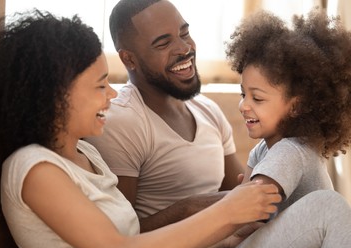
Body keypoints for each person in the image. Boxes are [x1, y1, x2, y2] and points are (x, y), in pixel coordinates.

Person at [0, 9, 351, 248]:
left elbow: (140, 246)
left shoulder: (89, 159)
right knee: (326, 209)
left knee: (313, 190)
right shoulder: (34, 168)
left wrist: (227, 235)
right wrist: (228, 211)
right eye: (100, 86)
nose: (111, 95)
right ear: (55, 94)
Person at [84, 0, 245, 233]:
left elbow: (237, 192)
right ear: (129, 59)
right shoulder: (121, 122)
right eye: (163, 43)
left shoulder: (208, 109)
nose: (184, 48)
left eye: (185, 33)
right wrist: (186, 209)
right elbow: (120, 236)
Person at [224, 9, 351, 216]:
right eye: (243, 94)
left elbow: (241, 217)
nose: (243, 106)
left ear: (296, 106)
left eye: (257, 98)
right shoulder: (261, 150)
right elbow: (241, 206)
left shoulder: (291, 152)